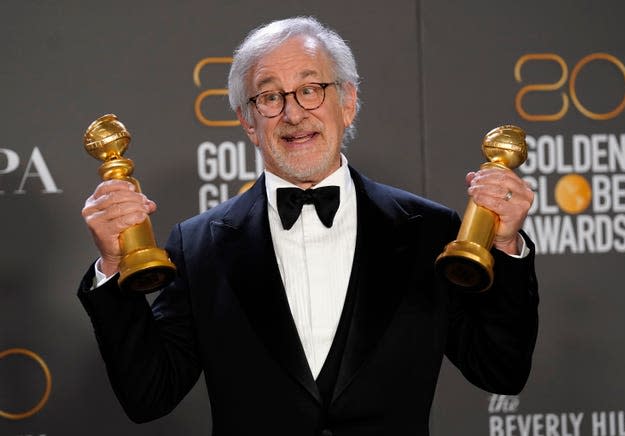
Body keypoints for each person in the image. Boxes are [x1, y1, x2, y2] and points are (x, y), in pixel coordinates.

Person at [79, 16, 538, 436]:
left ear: (349, 102)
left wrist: (505, 244)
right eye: (270, 96)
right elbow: (148, 396)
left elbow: (500, 370)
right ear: (248, 121)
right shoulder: (199, 245)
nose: (293, 113)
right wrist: (113, 264)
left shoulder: (429, 231)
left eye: (311, 88)